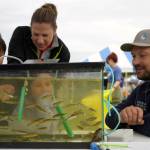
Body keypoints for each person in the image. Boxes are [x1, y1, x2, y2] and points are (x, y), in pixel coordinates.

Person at [105, 29, 150, 137]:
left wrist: (128, 122)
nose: (135, 62)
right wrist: (122, 115)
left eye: (142, 55)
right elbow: (109, 116)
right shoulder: (141, 89)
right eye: (134, 56)